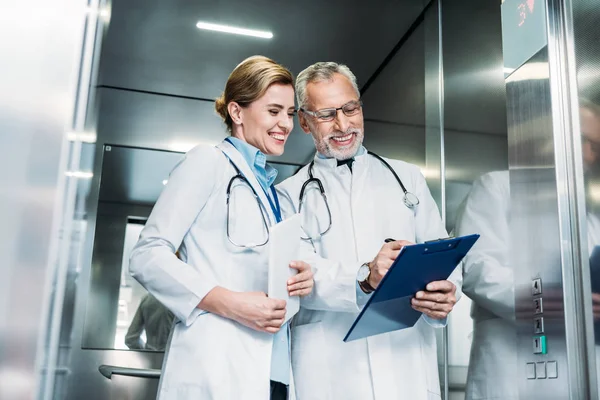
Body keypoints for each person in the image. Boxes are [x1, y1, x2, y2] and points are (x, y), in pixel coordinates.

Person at [129, 55, 314, 400]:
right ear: (237, 112)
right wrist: (230, 303)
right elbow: (147, 256)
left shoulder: (275, 194)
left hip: (272, 373)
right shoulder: (207, 162)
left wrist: (300, 275)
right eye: (274, 111)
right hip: (218, 366)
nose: (286, 124)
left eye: (289, 113)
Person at [276, 61, 461, 400]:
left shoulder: (407, 178)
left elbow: (441, 250)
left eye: (350, 108)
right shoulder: (288, 196)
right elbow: (297, 277)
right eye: (327, 114)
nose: (343, 124)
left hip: (406, 362)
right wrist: (364, 276)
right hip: (332, 368)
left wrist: (447, 292)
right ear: (303, 121)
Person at [454, 99, 600, 400]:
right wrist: (562, 304)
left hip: (579, 375)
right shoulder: (497, 188)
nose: (588, 155)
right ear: (553, 133)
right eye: (583, 141)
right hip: (511, 369)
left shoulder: (589, 220)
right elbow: (478, 271)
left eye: (596, 147)